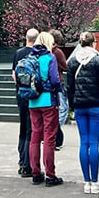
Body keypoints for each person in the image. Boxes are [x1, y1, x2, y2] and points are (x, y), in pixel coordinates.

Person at [67, 31, 99, 195]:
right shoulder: (98, 60)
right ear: (94, 43)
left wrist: (74, 103)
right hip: (96, 106)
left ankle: (86, 182)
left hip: (80, 107)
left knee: (83, 143)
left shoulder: (72, 61)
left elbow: (69, 88)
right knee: (94, 144)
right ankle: (95, 182)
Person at [27, 31, 63, 187]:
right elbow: (55, 80)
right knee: (49, 138)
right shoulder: (50, 57)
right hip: (48, 101)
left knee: (35, 137)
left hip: (33, 101)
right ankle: (50, 175)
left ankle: (35, 173)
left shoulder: (30, 57)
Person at [12, 28, 39, 178]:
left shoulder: (18, 53)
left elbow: (14, 75)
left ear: (26, 38)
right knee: (31, 129)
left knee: (23, 128)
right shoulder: (36, 55)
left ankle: (21, 161)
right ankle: (29, 164)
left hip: (20, 95)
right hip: (33, 97)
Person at [50, 29, 69, 150]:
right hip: (58, 82)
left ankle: (51, 132)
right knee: (63, 108)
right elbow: (65, 66)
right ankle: (56, 130)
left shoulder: (44, 51)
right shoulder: (57, 52)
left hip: (48, 84)